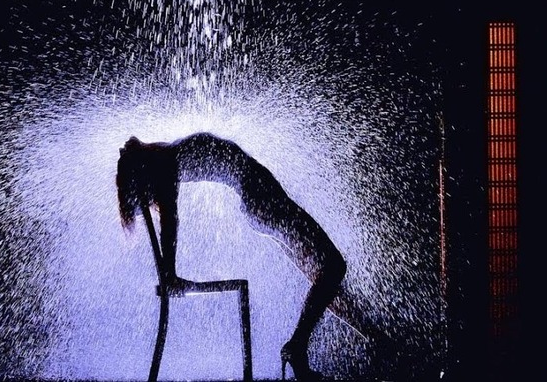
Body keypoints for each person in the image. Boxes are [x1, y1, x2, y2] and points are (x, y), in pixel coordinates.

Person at [116, 132, 379, 381]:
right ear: (145, 164)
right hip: (261, 197)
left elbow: (167, 217)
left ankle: (372, 337)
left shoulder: (166, 153)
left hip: (259, 199)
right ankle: (299, 346)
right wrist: (170, 274)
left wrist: (169, 272)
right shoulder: (165, 162)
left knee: (323, 273)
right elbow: (170, 221)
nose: (142, 144)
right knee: (333, 266)